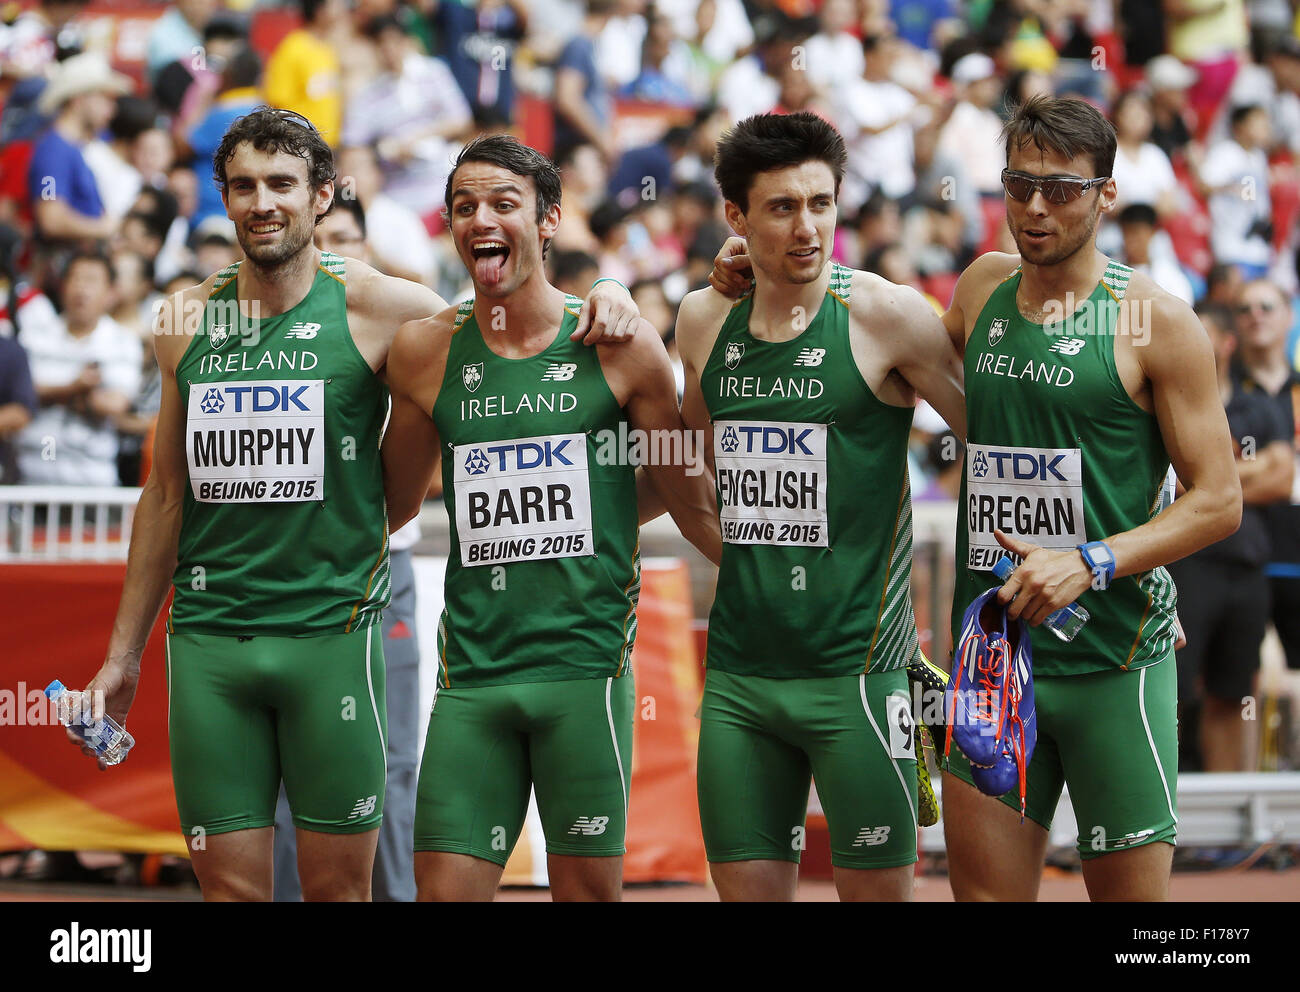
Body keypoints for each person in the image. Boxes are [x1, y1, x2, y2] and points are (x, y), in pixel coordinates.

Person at [63, 107, 639, 902]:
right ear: (223, 200)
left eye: (281, 184)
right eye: (242, 187)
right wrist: (123, 654)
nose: (261, 202)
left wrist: (613, 291)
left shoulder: (384, 309)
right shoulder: (184, 320)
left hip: (333, 636)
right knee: (229, 893)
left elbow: (508, 316)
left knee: (340, 893)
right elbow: (165, 494)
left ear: (322, 195)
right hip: (208, 645)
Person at [382, 133, 720, 902]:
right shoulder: (425, 354)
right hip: (472, 679)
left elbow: (680, 487)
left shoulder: (619, 346)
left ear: (548, 220)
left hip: (586, 675)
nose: (481, 218)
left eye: (504, 203)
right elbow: (389, 506)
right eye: (464, 206)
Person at [940, 95, 1241, 901]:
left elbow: (1218, 499)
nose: (1035, 209)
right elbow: (892, 355)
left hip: (1115, 660)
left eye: (1063, 189)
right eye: (1018, 184)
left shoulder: (1155, 322)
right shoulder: (981, 290)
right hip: (996, 662)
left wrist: (1095, 560)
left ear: (1106, 194)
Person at [673, 111, 966, 901]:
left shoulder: (885, 315)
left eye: (822, 203)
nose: (808, 228)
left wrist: (1099, 550)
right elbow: (687, 463)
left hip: (862, 678)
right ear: (735, 217)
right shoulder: (703, 321)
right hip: (740, 680)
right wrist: (747, 563)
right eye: (781, 207)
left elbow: (1001, 434)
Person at [271, 196, 424, 901]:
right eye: (320, 240)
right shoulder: (264, 329)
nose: (330, 254)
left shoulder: (404, 323)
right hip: (291, 568)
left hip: (382, 566)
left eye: (345, 239)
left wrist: (608, 289)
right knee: (280, 769)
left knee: (388, 761)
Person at [1167, 301, 1291, 771]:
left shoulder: (1255, 405)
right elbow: (1175, 482)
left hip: (1246, 571)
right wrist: (1241, 474)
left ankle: (1231, 825)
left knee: (1235, 693)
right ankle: (1165, 818)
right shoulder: (1164, 402)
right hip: (1187, 565)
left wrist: (1213, 480)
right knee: (1172, 692)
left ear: (1225, 343)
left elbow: (1283, 478)